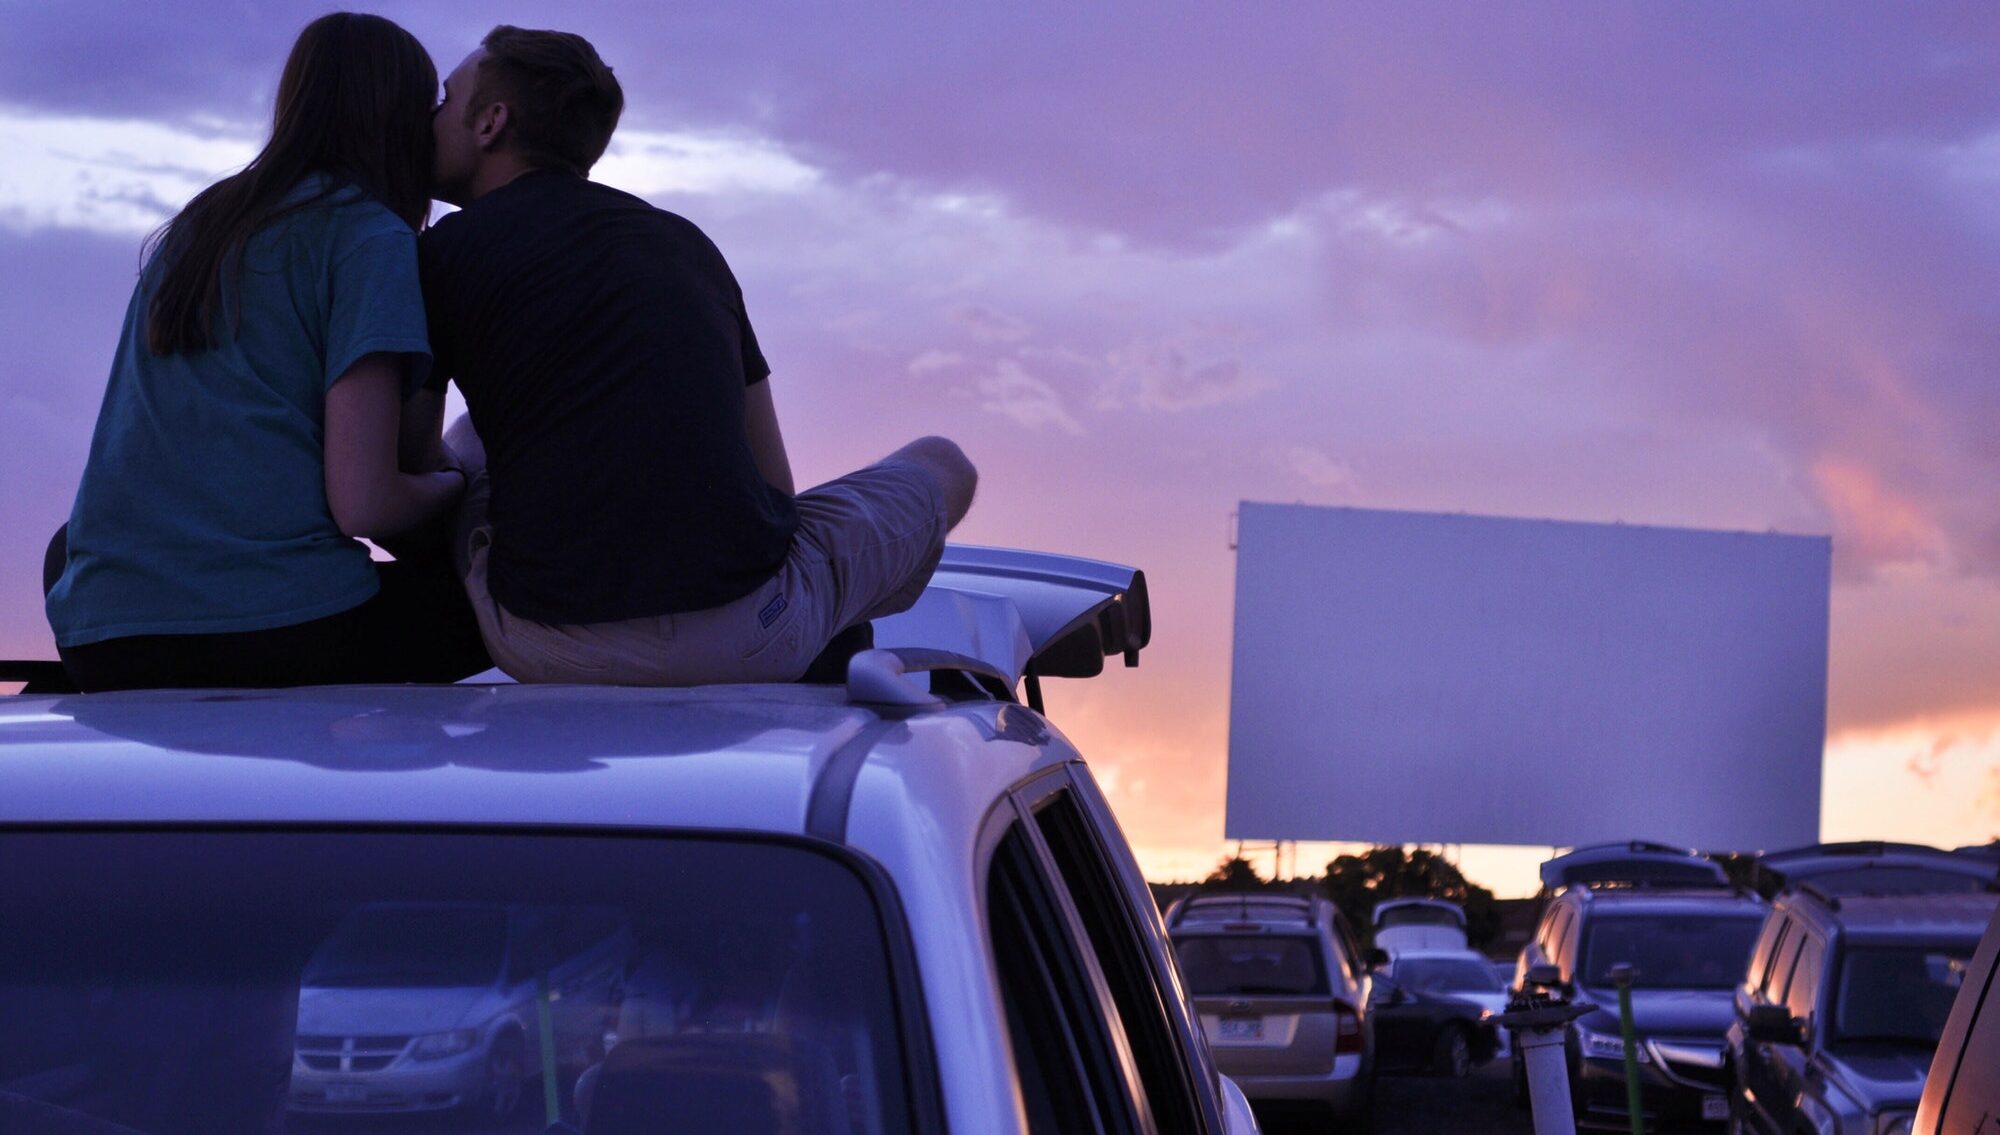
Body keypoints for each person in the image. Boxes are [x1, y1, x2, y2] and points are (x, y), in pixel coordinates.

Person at [421, 27, 978, 685]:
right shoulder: (686, 246)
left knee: (465, 450)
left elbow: (405, 468)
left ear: (491, 122)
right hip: (752, 636)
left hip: (547, 642)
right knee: (944, 463)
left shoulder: (442, 254)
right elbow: (775, 492)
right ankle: (829, 628)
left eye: (444, 98)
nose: (427, 121)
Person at [43, 12, 490, 692]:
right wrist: (457, 487)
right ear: (397, 115)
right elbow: (367, 504)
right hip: (272, 631)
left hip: (105, 636)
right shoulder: (370, 238)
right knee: (511, 599)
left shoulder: (202, 223)